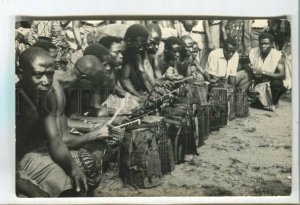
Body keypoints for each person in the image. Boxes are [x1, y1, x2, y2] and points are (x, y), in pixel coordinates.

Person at [16, 47, 94, 197]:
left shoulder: (47, 96)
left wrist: (73, 168)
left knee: (72, 186)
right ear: (20, 73)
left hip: (26, 158)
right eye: (38, 75)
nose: (45, 81)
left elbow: (55, 141)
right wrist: (28, 187)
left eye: (50, 75)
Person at [237, 32, 286, 111]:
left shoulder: (277, 55)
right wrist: (249, 67)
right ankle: (261, 101)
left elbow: (282, 75)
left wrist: (262, 72)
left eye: (266, 44)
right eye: (261, 43)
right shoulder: (254, 51)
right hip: (256, 80)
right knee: (244, 75)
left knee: (278, 84)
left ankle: (271, 101)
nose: (263, 46)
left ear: (272, 44)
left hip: (269, 81)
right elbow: (245, 63)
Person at [120, 24, 155, 98]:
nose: (141, 49)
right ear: (129, 40)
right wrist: (137, 96)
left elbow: (141, 70)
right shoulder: (118, 48)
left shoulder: (136, 46)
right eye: (139, 45)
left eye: (143, 45)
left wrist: (153, 90)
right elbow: (124, 79)